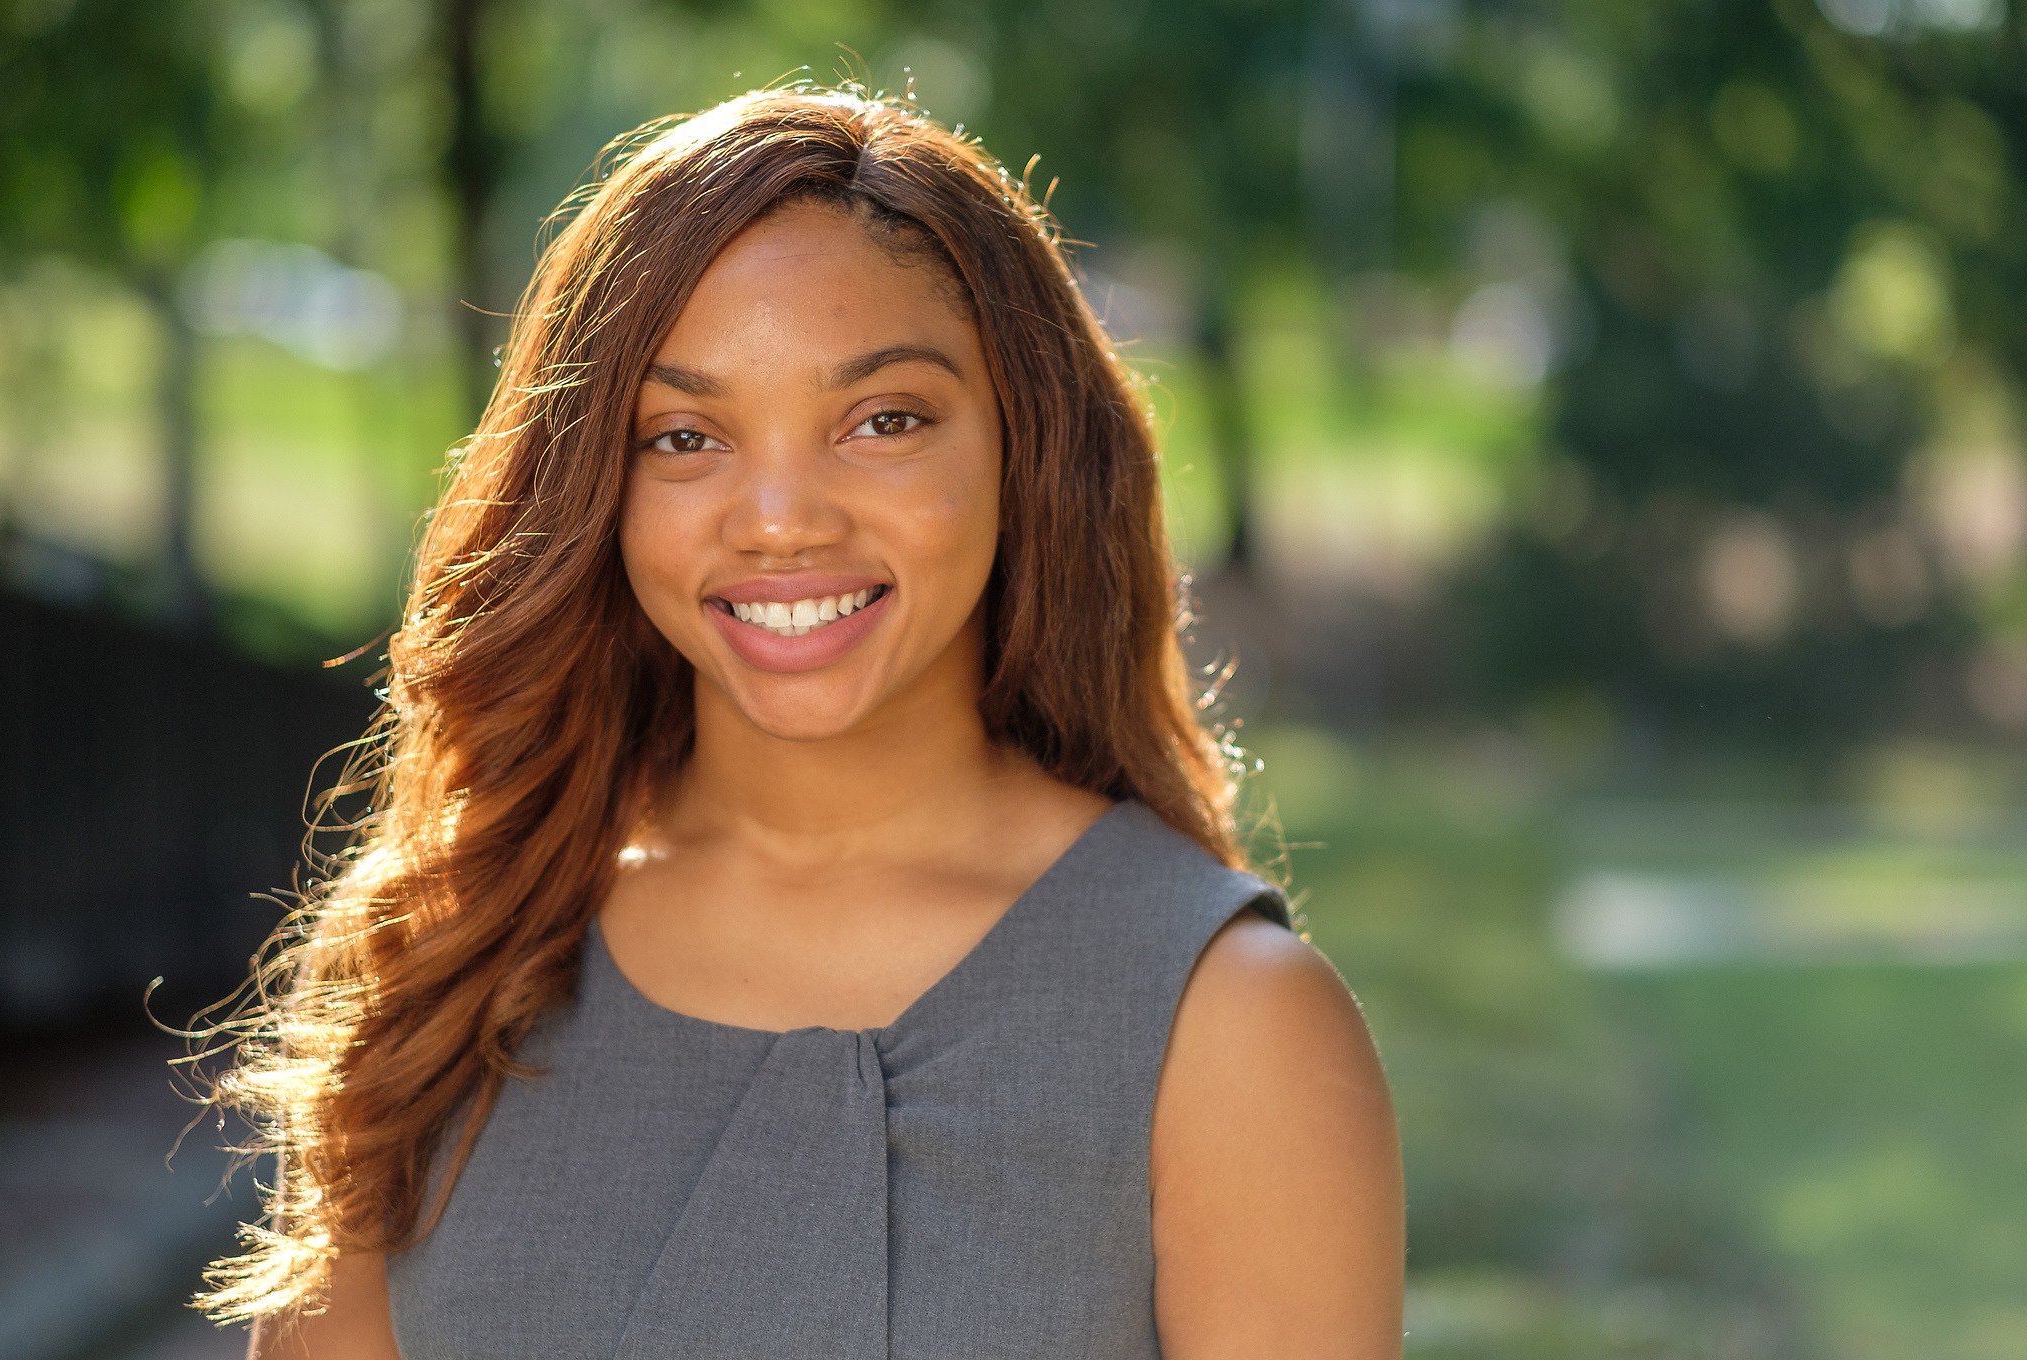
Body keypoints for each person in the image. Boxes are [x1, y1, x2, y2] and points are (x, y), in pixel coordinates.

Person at [201, 86, 1403, 1360]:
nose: (779, 517)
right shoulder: (448, 953)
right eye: (685, 436)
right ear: (596, 488)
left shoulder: (1229, 1024)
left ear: (1023, 446)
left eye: (882, 420)